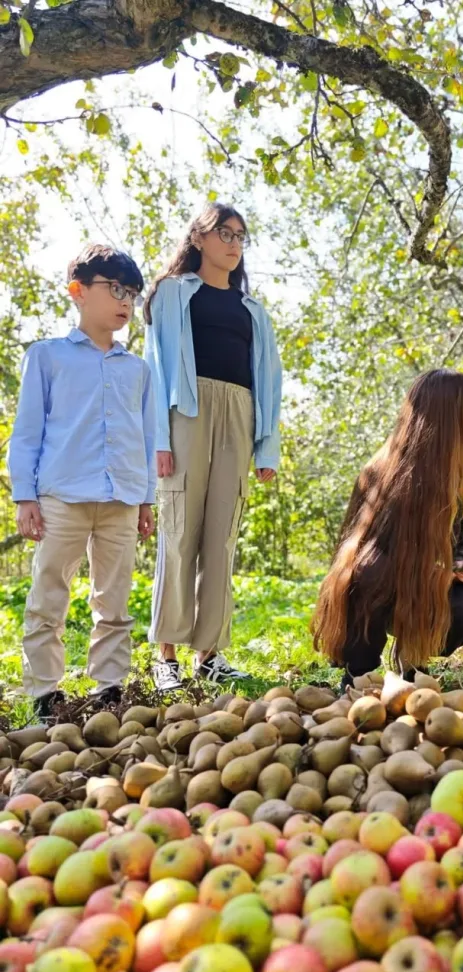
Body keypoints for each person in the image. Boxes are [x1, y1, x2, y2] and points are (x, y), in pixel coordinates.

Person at [8, 245, 155, 720]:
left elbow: (146, 436)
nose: (125, 302)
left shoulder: (137, 369)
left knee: (113, 599)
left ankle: (109, 687)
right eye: (114, 289)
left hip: (121, 499)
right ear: (78, 292)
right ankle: (45, 692)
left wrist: (146, 499)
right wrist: (25, 496)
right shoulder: (47, 357)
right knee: (49, 595)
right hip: (62, 497)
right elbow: (28, 431)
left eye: (131, 293)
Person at [143, 203, 282, 691]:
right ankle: (166, 656)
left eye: (241, 235)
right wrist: (158, 438)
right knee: (179, 528)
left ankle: (209, 656)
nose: (233, 242)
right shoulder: (171, 294)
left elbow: (268, 380)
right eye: (224, 232)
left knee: (221, 536)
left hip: (238, 415)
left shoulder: (253, 311)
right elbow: (155, 368)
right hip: (187, 410)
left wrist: (266, 448)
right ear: (199, 237)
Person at [311, 368, 463, 686]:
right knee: (371, 571)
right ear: (445, 413)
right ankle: (359, 670)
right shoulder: (384, 473)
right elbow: (360, 558)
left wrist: (458, 562)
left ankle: (413, 664)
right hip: (377, 587)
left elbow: (458, 537)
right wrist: (433, 569)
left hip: (424, 587)